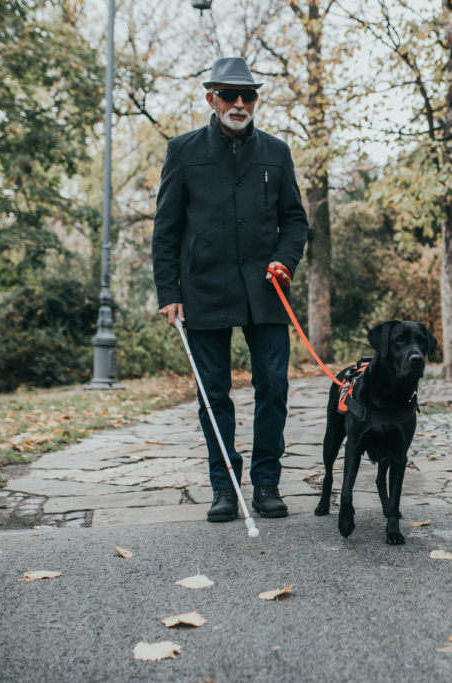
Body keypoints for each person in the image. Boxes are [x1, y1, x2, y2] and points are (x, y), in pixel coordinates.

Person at [152, 57, 309, 523]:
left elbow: (295, 220)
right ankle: (225, 488)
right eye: (229, 95)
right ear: (211, 99)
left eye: (248, 96)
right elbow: (167, 228)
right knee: (213, 393)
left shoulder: (277, 152)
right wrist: (168, 291)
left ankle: (267, 484)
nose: (239, 104)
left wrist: (286, 258)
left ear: (256, 100)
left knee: (273, 388)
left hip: (266, 291)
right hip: (203, 289)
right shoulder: (182, 151)